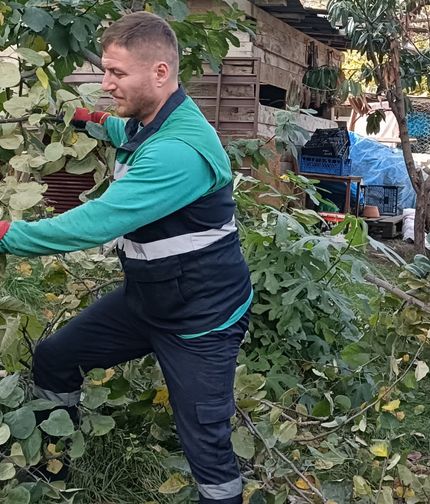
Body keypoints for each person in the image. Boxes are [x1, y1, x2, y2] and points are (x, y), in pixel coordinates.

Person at [0, 12, 252, 504]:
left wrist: (7, 233)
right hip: (148, 300)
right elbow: (128, 134)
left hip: (201, 319)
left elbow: (93, 224)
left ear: (159, 72)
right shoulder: (158, 117)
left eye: (117, 73)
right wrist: (91, 121)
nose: (105, 82)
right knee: (55, 358)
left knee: (205, 442)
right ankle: (54, 467)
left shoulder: (179, 151)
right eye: (106, 71)